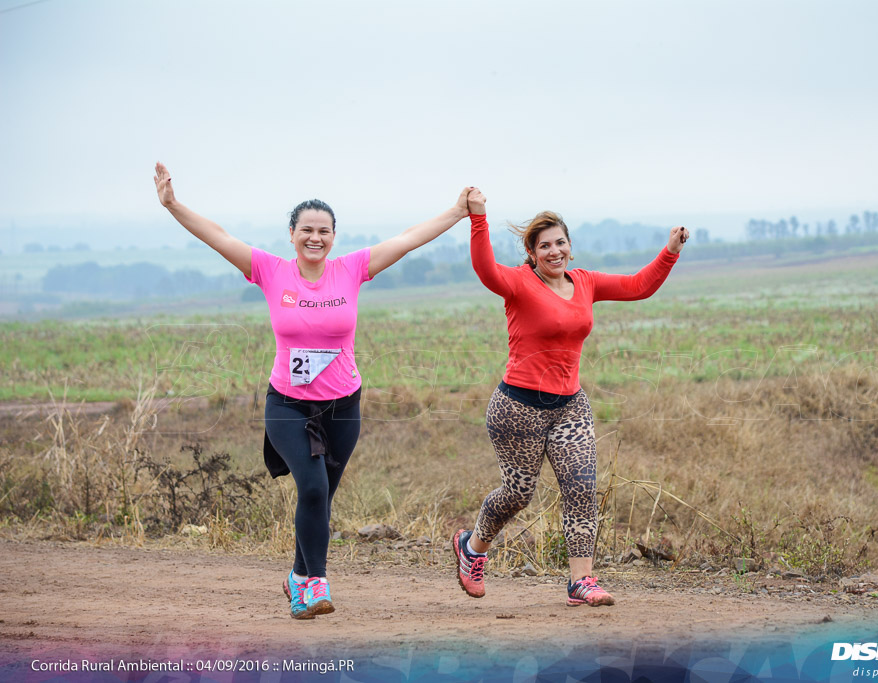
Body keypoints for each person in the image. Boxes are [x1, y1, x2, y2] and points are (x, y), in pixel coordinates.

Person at [154, 162, 470, 619]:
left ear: (334, 236)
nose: (315, 237)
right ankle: (313, 585)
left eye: (323, 230)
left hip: (343, 404)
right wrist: (172, 205)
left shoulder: (352, 269)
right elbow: (217, 236)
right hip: (288, 403)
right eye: (306, 230)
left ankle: (297, 576)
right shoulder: (269, 270)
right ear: (291, 234)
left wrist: (456, 211)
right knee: (314, 488)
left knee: (321, 497)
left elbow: (408, 238)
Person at [452, 188, 688, 607]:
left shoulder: (585, 283)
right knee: (518, 494)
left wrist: (669, 251)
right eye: (545, 245)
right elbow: (486, 269)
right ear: (532, 252)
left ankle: (581, 581)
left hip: (570, 406)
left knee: (581, 488)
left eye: (560, 242)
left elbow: (638, 286)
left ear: (570, 247)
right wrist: (478, 218)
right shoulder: (519, 283)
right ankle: (473, 548)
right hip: (516, 409)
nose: (554, 250)